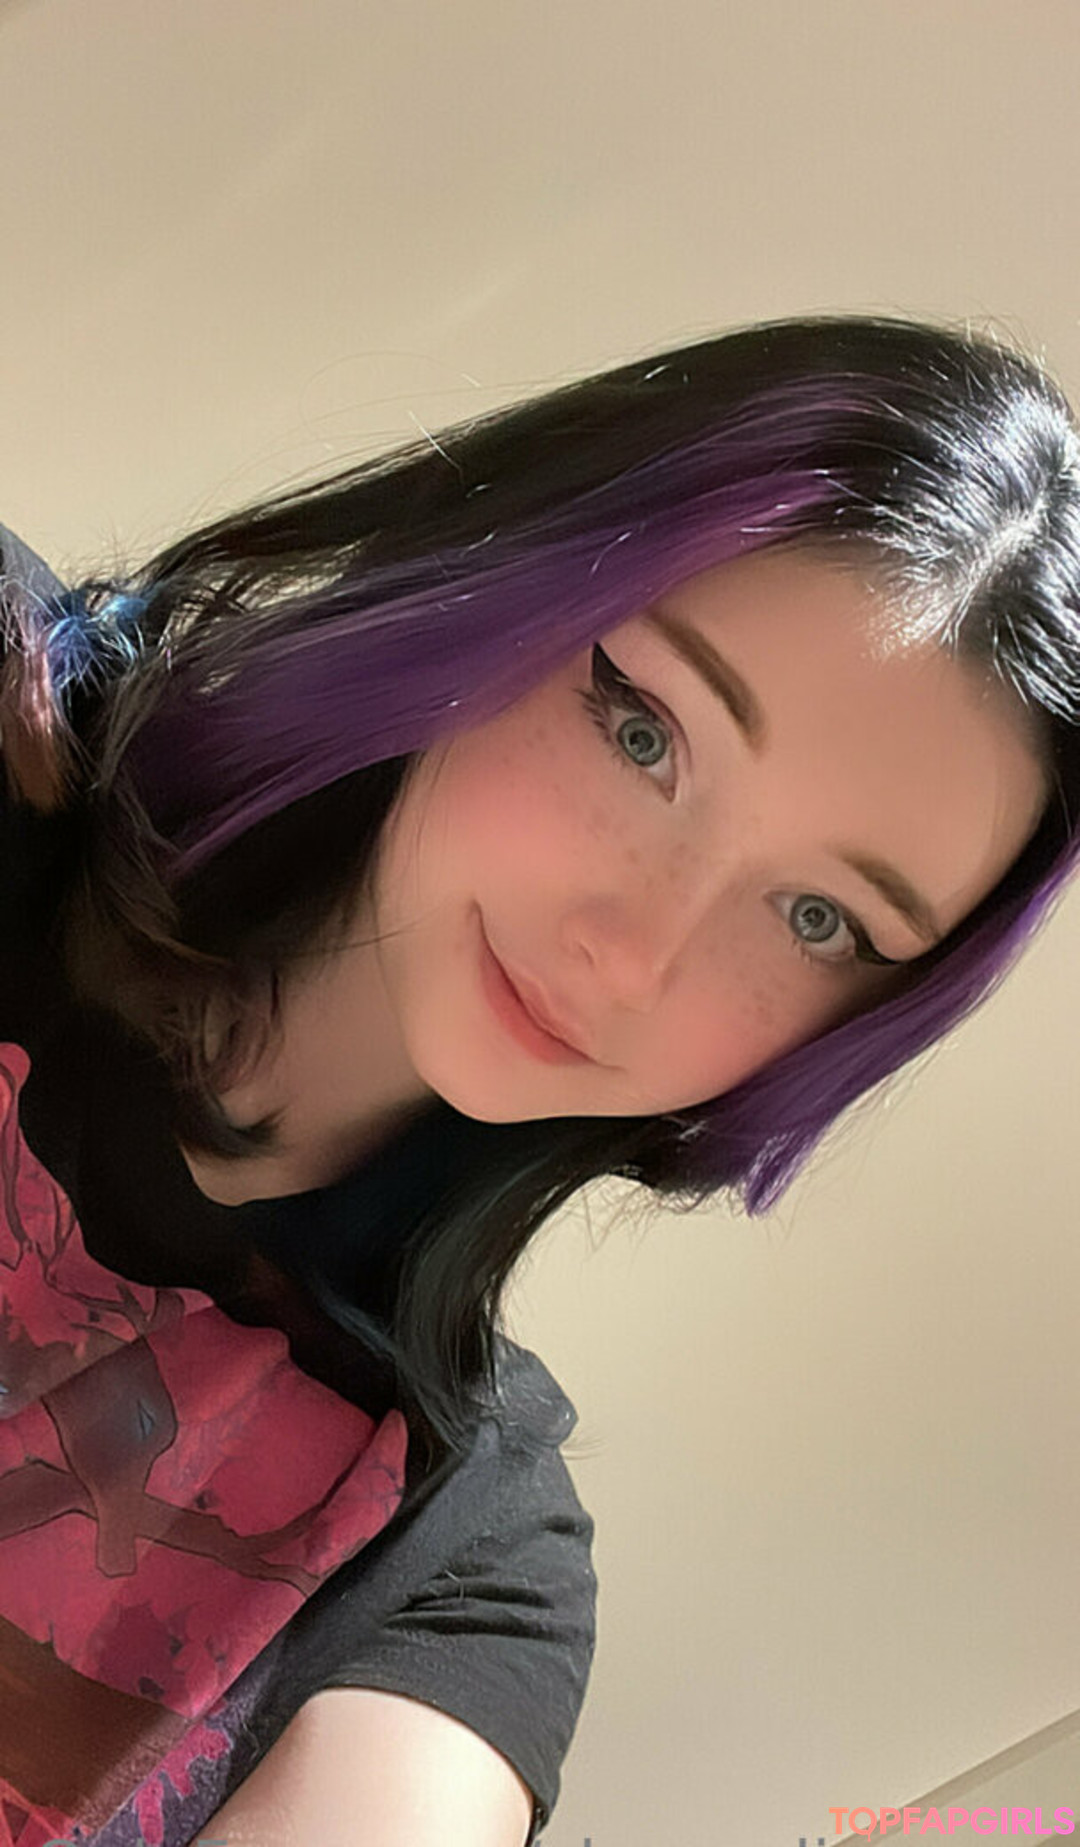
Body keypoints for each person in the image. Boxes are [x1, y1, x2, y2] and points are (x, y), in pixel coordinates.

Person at [0, 313, 1078, 1846]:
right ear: (508, 577)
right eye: (645, 733)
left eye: (818, 920)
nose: (633, 957)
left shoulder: (464, 1563)